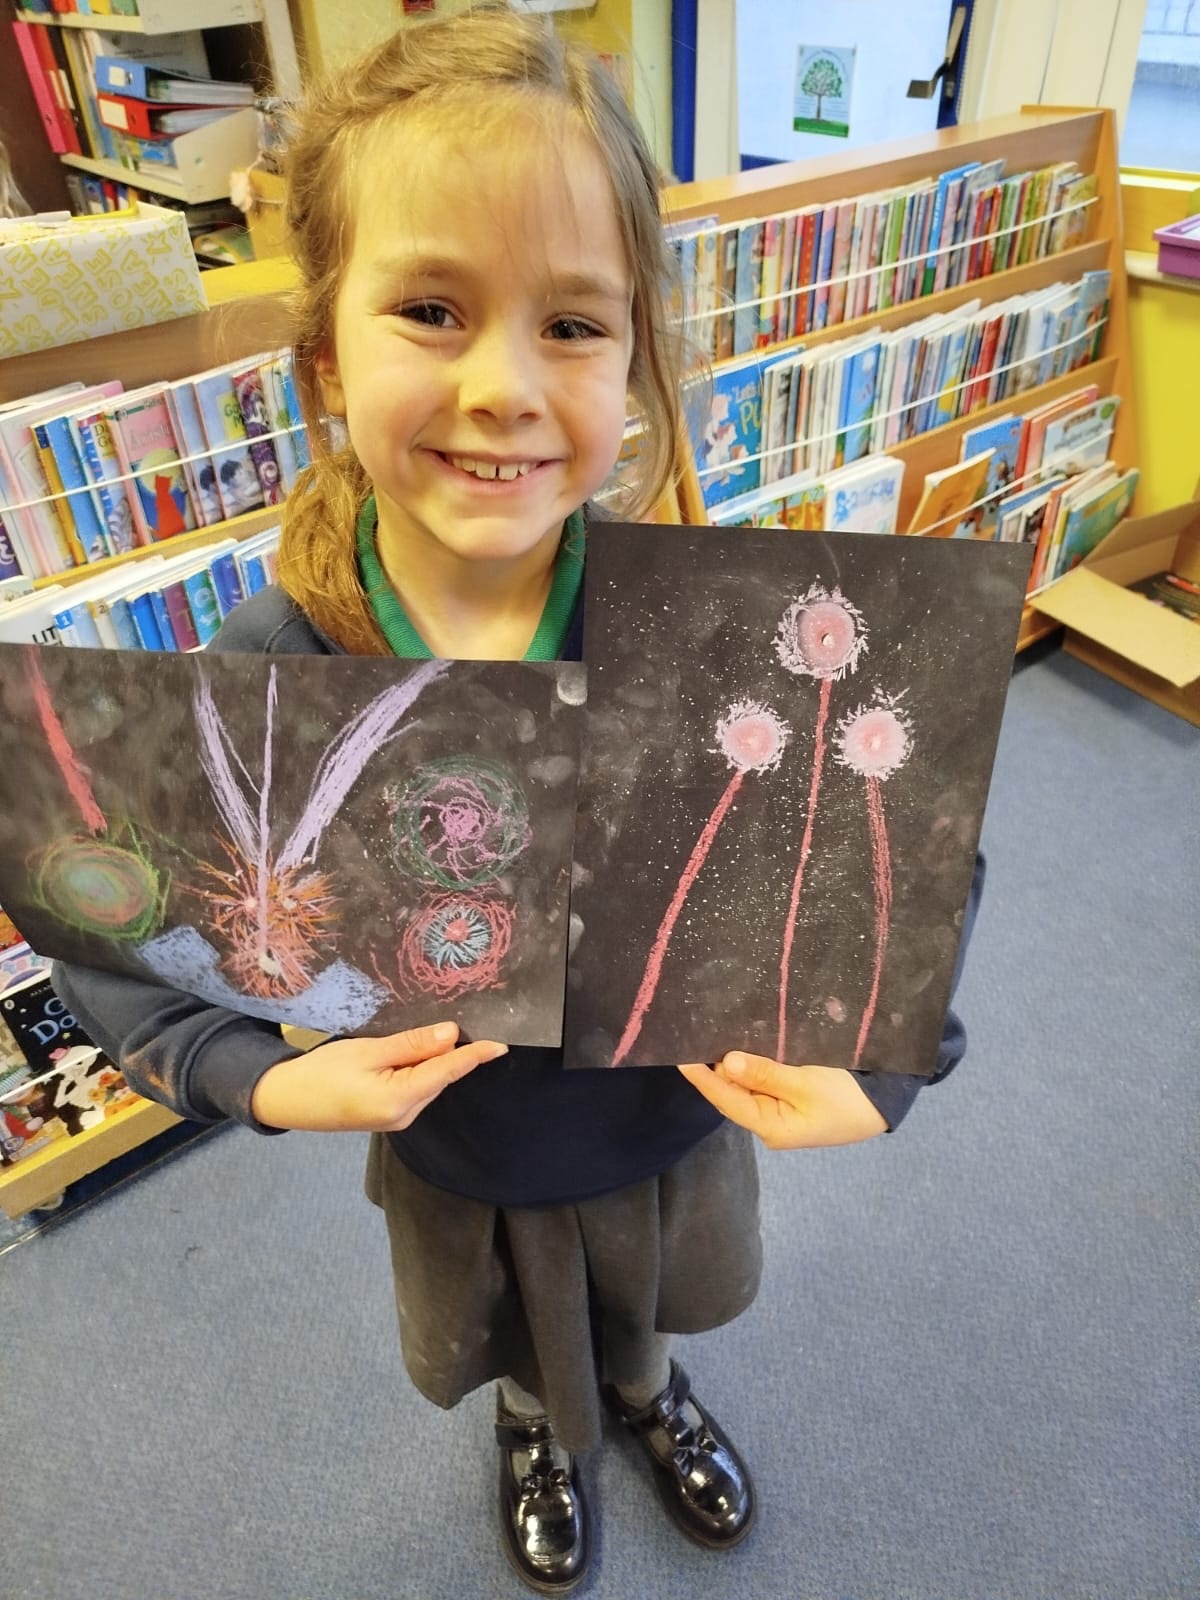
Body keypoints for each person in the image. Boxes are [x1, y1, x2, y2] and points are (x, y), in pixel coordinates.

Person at [52, 10, 984, 1594]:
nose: (502, 386)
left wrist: (885, 1067)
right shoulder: (276, 667)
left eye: (571, 323)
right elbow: (111, 917)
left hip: (671, 1112)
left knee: (655, 1297)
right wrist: (257, 1080)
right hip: (460, 1144)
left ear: (634, 359)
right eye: (431, 309)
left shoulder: (719, 629)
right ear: (326, 356)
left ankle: (648, 1394)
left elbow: (910, 855)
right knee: (506, 1324)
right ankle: (539, 1427)